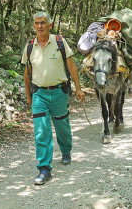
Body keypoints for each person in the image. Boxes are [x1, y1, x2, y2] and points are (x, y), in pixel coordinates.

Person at [21, 12, 85, 185]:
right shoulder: (29, 46)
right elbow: (27, 73)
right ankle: (44, 168)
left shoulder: (59, 42)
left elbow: (71, 66)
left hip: (58, 92)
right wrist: (28, 95)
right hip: (39, 94)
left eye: (43, 23)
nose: (40, 26)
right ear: (33, 26)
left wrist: (78, 88)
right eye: (37, 23)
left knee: (62, 126)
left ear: (49, 25)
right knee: (41, 131)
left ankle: (66, 151)